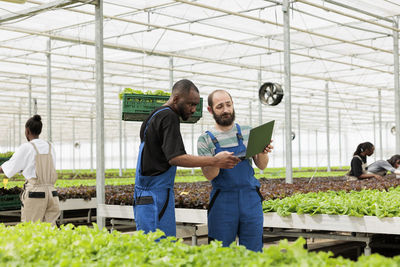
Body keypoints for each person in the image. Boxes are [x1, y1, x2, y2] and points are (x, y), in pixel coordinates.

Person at [134, 79, 240, 238]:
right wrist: (215, 161)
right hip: (155, 196)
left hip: (147, 195)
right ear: (176, 99)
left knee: (151, 246)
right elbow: (176, 158)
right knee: (159, 247)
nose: (193, 109)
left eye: (196, 105)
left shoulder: (155, 115)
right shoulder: (169, 117)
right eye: (190, 104)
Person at [197, 90, 273, 252]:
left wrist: (263, 151)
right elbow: (210, 175)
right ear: (210, 110)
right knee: (221, 252)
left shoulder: (248, 132)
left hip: (250, 199)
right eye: (220, 107)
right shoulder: (205, 139)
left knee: (253, 251)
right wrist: (217, 160)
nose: (225, 110)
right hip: (223, 201)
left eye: (228, 105)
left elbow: (262, 165)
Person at [0, 115, 60, 225]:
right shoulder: (50, 146)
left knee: (32, 230)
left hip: (35, 195)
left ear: (27, 131)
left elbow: (9, 167)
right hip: (52, 194)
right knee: (50, 231)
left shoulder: (27, 147)